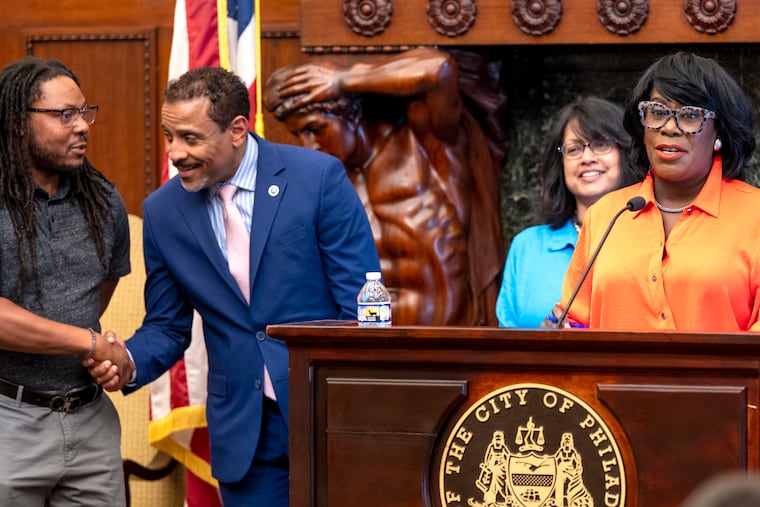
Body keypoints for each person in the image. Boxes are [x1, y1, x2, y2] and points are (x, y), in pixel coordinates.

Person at [88, 66, 379, 506]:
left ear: (238, 129)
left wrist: (347, 404)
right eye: (169, 136)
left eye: (190, 137)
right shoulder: (164, 213)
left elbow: (360, 309)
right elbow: (168, 326)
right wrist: (127, 359)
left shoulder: (317, 178)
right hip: (245, 434)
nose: (175, 153)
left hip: (329, 418)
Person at [263, 47, 505, 325]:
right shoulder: (327, 186)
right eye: (299, 135)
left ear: (350, 115)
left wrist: (342, 80)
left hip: (445, 343)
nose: (309, 146)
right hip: (365, 348)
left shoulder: (424, 146)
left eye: (315, 129)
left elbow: (440, 69)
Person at [0, 56, 132, 505]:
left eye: (84, 112)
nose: (82, 126)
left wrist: (92, 349)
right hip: (8, 421)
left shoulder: (103, 200)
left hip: (90, 419)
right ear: (19, 123)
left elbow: (96, 292)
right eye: (64, 115)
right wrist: (88, 343)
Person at [548, 52, 760, 331]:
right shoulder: (606, 215)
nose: (669, 128)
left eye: (690, 116)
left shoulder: (754, 215)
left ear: (719, 132)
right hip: (612, 377)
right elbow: (573, 323)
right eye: (657, 112)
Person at [495, 96, 637, 327]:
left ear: (626, 154)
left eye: (601, 144)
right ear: (560, 164)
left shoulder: (652, 239)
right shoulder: (527, 247)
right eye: (574, 149)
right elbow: (505, 343)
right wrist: (543, 343)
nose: (587, 158)